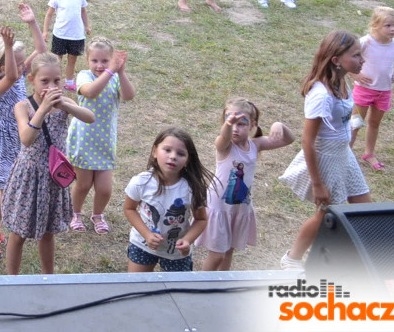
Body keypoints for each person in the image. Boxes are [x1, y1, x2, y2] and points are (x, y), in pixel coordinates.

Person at [279, 32, 373, 270]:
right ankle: (292, 259)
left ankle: (363, 257)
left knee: (365, 207)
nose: (362, 60)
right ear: (336, 60)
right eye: (356, 55)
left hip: (343, 154)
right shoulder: (321, 95)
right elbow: (308, 141)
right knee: (326, 214)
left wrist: (351, 131)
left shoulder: (343, 80)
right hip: (327, 158)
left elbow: (341, 121)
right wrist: (317, 183)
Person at [1, 53, 95, 275]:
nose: (52, 86)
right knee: (18, 232)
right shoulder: (22, 106)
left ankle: (48, 276)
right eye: (45, 81)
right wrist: (42, 110)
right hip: (29, 177)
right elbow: (26, 138)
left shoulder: (63, 104)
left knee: (47, 232)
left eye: (56, 80)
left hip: (53, 177)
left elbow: (90, 117)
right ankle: (11, 279)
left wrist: (66, 105)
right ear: (32, 79)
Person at [0, 6, 44, 260]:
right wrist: (6, 43)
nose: (25, 64)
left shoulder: (16, 72)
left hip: (19, 136)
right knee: (8, 190)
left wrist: (33, 23)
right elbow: (14, 75)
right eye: (18, 60)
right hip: (3, 140)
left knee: (11, 188)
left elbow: (42, 50)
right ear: (2, 64)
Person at [196, 99, 294, 270]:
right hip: (219, 206)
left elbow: (288, 140)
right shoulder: (224, 145)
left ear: (252, 125)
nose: (235, 128)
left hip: (239, 208)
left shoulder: (256, 145)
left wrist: (279, 125)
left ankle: (221, 283)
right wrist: (228, 124)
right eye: (231, 122)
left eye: (241, 124)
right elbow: (223, 136)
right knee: (217, 254)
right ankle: (202, 285)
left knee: (229, 251)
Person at [68, 40, 135, 234]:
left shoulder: (114, 77)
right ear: (87, 60)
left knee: (105, 188)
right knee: (83, 184)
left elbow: (129, 96)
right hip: (84, 141)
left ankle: (98, 215)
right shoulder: (84, 76)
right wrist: (109, 71)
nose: (100, 65)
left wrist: (120, 72)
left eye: (105, 60)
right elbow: (90, 92)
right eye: (95, 60)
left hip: (105, 141)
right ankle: (75, 213)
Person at [124, 127, 213, 272]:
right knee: (137, 287)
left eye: (181, 153)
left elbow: (201, 219)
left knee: (177, 292)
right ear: (154, 151)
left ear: (187, 160)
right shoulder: (140, 182)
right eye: (167, 150)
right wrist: (146, 234)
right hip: (142, 245)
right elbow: (129, 209)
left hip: (177, 253)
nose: (173, 156)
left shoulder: (192, 188)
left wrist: (187, 240)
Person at [350, 7, 394, 171]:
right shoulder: (365, 42)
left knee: (374, 123)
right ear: (375, 25)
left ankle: (369, 153)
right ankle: (347, 152)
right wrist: (355, 76)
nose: (393, 29)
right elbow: (348, 59)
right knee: (355, 123)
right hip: (364, 89)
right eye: (388, 25)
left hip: (384, 90)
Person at [42, 0, 90, 90]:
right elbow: (49, 15)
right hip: (60, 35)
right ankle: (54, 82)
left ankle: (69, 82)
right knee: (56, 59)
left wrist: (87, 26)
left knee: (72, 59)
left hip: (76, 35)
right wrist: (45, 31)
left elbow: (83, 12)